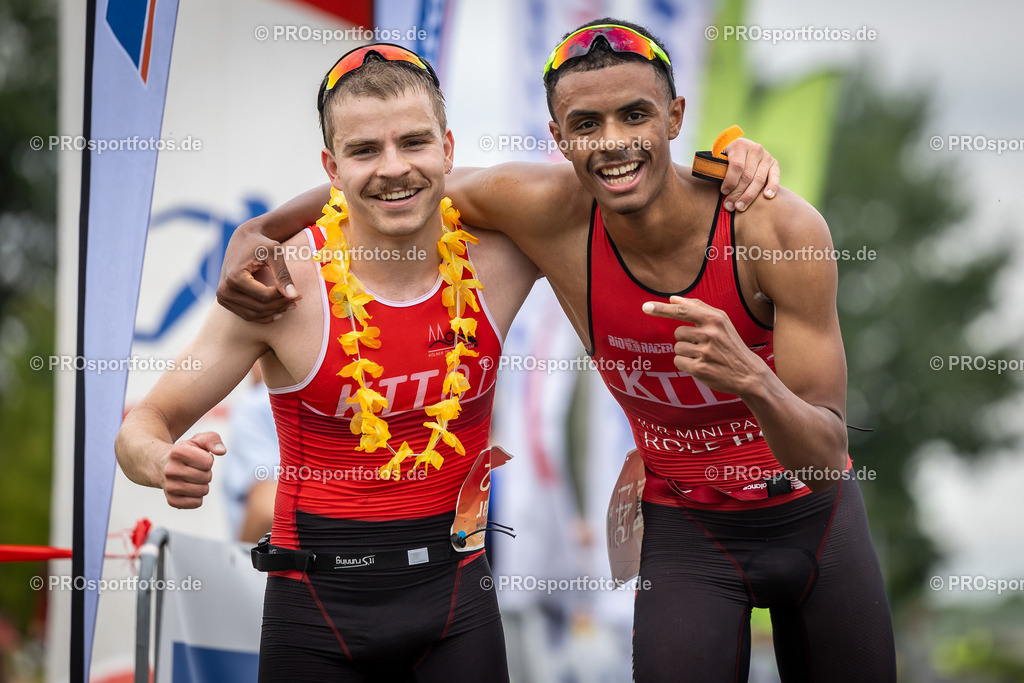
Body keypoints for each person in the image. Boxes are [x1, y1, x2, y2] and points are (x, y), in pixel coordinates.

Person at [216, 20, 896, 683]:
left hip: (813, 518)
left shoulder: (774, 225)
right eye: (587, 126)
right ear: (558, 138)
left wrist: (752, 376)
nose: (615, 144)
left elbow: (825, 456)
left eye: (636, 116)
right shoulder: (544, 209)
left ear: (675, 115)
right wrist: (263, 227)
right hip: (689, 526)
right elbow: (398, 185)